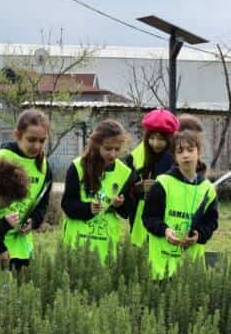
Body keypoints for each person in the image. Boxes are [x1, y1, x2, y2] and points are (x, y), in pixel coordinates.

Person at [0, 108, 54, 271]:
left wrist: (33, 222)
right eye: (31, 140)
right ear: (17, 134)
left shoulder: (45, 167)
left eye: (42, 141)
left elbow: (42, 204)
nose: (37, 146)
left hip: (22, 248)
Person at [142, 129, 219, 278]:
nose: (186, 155)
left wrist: (199, 235)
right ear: (174, 156)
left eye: (190, 150)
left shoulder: (208, 189)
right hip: (161, 266)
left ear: (199, 152)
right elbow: (149, 218)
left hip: (191, 268)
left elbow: (211, 222)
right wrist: (165, 231)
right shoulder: (163, 183)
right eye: (180, 151)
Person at [61, 119, 135, 264]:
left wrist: (119, 205)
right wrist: (88, 208)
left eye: (117, 149)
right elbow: (67, 204)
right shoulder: (77, 167)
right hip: (78, 241)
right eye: (108, 148)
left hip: (106, 244)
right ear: (96, 145)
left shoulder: (125, 172)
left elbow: (127, 212)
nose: (113, 154)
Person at [127, 108, 179, 248]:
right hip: (140, 220)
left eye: (161, 139)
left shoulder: (178, 157)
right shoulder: (135, 156)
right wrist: (138, 188)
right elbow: (126, 190)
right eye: (152, 138)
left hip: (169, 219)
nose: (155, 143)